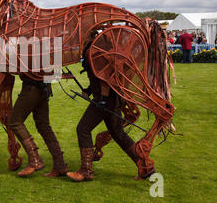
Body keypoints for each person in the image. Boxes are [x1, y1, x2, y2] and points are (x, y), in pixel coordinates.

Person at [67, 32, 152, 182]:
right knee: (118, 133)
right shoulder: (100, 47)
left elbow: (105, 77)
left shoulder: (95, 49)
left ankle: (86, 170)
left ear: (87, 35)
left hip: (105, 98)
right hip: (110, 97)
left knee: (83, 129)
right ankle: (145, 167)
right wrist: (89, 90)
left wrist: (103, 99)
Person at [8, 74, 68, 177]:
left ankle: (35, 160)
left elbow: (17, 66)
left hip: (32, 88)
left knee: (15, 122)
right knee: (44, 126)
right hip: (44, 86)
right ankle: (60, 165)